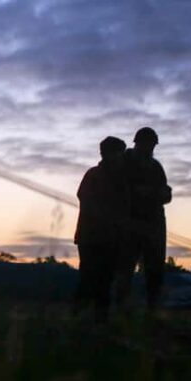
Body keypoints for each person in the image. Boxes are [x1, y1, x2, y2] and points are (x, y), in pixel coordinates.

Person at [115, 127, 172, 310]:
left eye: (153, 145)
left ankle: (152, 309)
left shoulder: (155, 166)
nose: (151, 148)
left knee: (154, 269)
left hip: (153, 225)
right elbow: (117, 189)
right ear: (138, 143)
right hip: (130, 223)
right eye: (149, 144)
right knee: (125, 267)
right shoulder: (124, 162)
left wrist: (160, 193)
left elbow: (165, 193)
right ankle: (122, 307)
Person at [73, 136, 128, 321]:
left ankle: (98, 319)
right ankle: (80, 316)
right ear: (108, 154)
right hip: (91, 237)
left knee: (105, 279)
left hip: (109, 238)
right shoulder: (94, 175)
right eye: (119, 153)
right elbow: (85, 199)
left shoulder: (119, 178)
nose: (121, 157)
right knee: (89, 277)